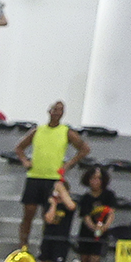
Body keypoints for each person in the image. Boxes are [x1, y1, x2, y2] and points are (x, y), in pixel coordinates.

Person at [13, 102, 90, 252]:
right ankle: (23, 245)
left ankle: (45, 248)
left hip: (53, 178)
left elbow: (84, 149)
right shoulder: (38, 130)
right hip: (35, 176)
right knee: (28, 213)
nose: (57, 113)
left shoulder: (66, 131)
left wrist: (68, 164)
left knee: (48, 215)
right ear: (49, 111)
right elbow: (19, 147)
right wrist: (25, 161)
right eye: (55, 109)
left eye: (60, 110)